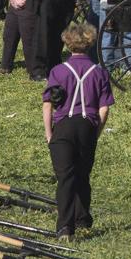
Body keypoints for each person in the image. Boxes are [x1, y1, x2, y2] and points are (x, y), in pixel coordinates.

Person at [43, 24, 114, 238]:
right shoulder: (100, 72)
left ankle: (65, 226)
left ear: (67, 43)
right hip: (87, 126)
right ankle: (83, 218)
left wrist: (49, 133)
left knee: (65, 177)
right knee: (83, 174)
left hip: (64, 125)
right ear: (90, 43)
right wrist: (96, 132)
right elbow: (104, 109)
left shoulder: (58, 71)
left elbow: (48, 104)